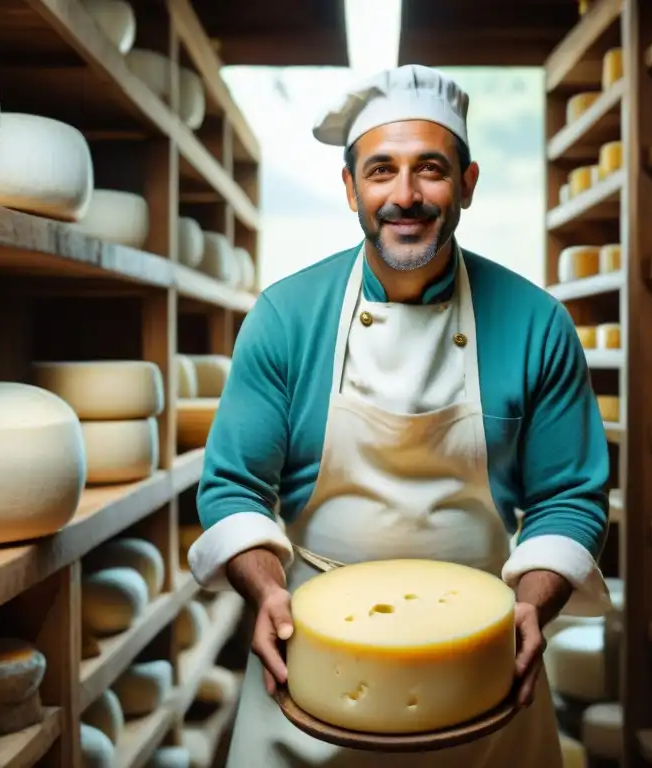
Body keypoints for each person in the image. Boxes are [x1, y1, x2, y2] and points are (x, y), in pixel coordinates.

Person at [188, 63, 612, 767]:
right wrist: (265, 592)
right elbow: (232, 485)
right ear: (351, 187)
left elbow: (568, 496)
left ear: (467, 185)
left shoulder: (538, 323)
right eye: (381, 171)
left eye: (431, 170)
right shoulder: (285, 317)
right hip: (317, 662)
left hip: (481, 663)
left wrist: (534, 604)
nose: (405, 196)